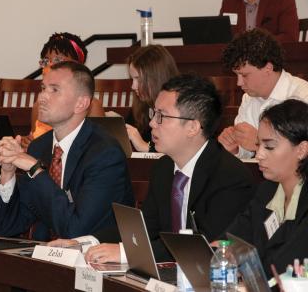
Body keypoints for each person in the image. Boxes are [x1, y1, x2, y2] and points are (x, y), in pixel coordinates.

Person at [50, 74, 254, 262]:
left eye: (161, 116)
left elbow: (203, 247)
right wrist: (85, 243)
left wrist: (125, 253)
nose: (152, 124)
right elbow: (146, 228)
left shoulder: (229, 176)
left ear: (192, 127)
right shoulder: (163, 167)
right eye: (154, 114)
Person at [0, 61, 134, 241]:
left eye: (54, 90)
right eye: (43, 88)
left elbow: (75, 230)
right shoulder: (39, 146)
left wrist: (36, 170)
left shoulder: (104, 154)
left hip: (91, 261)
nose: (42, 97)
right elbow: (8, 226)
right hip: (45, 257)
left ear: (81, 104)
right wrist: (7, 173)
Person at [226, 99, 308, 277]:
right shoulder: (266, 191)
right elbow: (230, 242)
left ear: (301, 150)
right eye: (258, 145)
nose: (260, 155)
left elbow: (285, 266)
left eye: (269, 146)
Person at [218, 29, 308, 159]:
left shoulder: (303, 96)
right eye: (236, 75)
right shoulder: (249, 98)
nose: (239, 83)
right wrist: (234, 148)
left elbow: (303, 154)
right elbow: (246, 151)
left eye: (244, 75)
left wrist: (259, 142)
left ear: (268, 68)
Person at [21, 32, 104, 149]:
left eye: (58, 60)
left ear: (76, 66)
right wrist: (31, 144)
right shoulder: (39, 105)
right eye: (45, 61)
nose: (50, 66)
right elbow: (38, 142)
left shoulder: (92, 106)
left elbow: (97, 147)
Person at [125, 45, 179, 152]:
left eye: (138, 79)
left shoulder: (179, 106)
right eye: (132, 79)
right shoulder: (143, 104)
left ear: (156, 77)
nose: (133, 86)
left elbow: (179, 151)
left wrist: (145, 147)